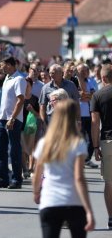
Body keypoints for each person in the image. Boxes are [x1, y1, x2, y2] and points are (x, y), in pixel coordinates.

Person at [33, 99, 95, 238]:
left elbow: (37, 173)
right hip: (73, 201)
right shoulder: (77, 143)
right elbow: (79, 178)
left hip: (50, 201)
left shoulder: (44, 143)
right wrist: (89, 210)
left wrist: (36, 192)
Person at [0, 56, 26, 189]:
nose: (1, 68)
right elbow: (6, 100)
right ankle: (2, 178)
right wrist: (0, 115)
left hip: (13, 120)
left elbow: (20, 100)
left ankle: (16, 179)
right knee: (0, 149)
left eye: (2, 65)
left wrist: (13, 118)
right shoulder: (7, 78)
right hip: (3, 118)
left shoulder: (19, 79)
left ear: (10, 65)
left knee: (14, 150)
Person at [90, 64, 112, 229]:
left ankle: (111, 218)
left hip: (107, 141)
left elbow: (95, 123)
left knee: (109, 182)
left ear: (103, 78)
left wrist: (95, 147)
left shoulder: (98, 95)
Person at [76, 63, 98, 168]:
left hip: (89, 114)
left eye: (85, 71)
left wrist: (85, 96)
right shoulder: (75, 81)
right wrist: (84, 95)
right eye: (81, 71)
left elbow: (92, 95)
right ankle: (79, 159)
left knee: (92, 138)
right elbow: (79, 95)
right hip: (78, 115)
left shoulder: (91, 81)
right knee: (80, 139)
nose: (84, 73)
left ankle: (87, 159)